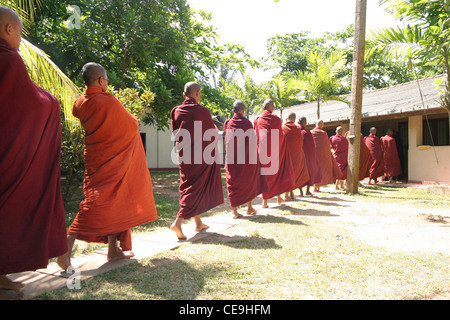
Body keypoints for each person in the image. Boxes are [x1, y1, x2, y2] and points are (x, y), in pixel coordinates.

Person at [57, 63, 158, 270]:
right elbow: (131, 124)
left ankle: (113, 250)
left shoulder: (80, 103)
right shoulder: (107, 101)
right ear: (101, 80)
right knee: (95, 203)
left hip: (98, 157)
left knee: (116, 201)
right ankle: (65, 250)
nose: (108, 83)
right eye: (106, 80)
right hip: (111, 160)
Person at [0, 6, 68, 299]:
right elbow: (29, 102)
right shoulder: (8, 60)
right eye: (19, 31)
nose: (19, 39)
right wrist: (52, 102)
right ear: (8, 30)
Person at [170, 82, 224, 240]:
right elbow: (212, 132)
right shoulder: (203, 111)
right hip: (199, 156)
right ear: (198, 93)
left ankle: (198, 222)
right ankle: (178, 222)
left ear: (183, 94)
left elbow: (176, 132)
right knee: (194, 188)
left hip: (184, 156)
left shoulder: (175, 111)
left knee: (191, 186)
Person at [223, 100, 268, 218]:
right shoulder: (247, 123)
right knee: (249, 181)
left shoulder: (227, 123)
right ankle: (249, 207)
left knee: (233, 183)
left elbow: (226, 142)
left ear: (233, 111)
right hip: (247, 159)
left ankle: (235, 211)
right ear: (242, 111)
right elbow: (252, 143)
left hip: (232, 161)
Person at [253, 99, 295, 208]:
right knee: (277, 173)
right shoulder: (276, 119)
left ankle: (265, 202)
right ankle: (278, 197)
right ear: (272, 107)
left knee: (265, 175)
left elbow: (256, 136)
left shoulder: (258, 120)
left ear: (263, 107)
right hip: (275, 151)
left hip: (262, 151)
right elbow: (280, 136)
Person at [282, 113, 310, 199]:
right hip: (295, 155)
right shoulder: (297, 130)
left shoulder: (282, 128)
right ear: (294, 120)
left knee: (287, 174)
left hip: (285, 155)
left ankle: (288, 194)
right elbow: (300, 143)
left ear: (287, 119)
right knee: (294, 173)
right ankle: (288, 193)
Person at [311, 120, 342, 192]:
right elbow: (327, 146)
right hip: (322, 155)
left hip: (313, 155)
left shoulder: (311, 132)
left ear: (316, 124)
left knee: (315, 170)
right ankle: (317, 187)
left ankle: (316, 187)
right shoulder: (324, 133)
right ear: (322, 125)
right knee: (320, 170)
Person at [298, 117, 322, 196]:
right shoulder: (307, 133)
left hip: (299, 157)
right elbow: (312, 146)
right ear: (305, 123)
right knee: (310, 172)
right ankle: (307, 191)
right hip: (308, 157)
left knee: (299, 173)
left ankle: (301, 192)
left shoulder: (297, 132)